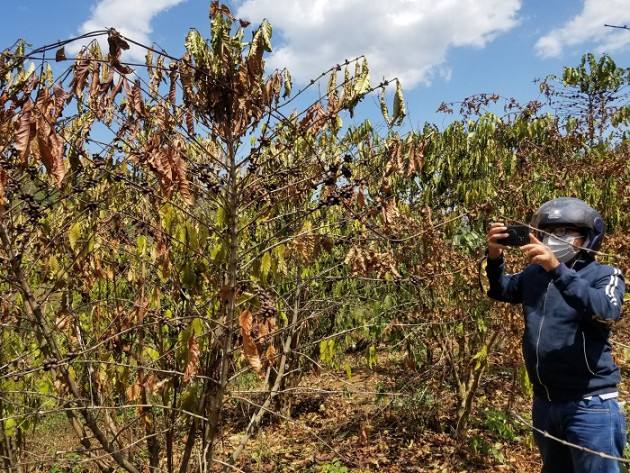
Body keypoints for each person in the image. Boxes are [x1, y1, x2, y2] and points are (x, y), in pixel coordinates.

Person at [485, 197, 627, 473]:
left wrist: (558, 270)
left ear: (587, 238)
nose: (554, 239)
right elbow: (501, 289)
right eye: (548, 232)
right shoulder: (533, 275)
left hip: (590, 405)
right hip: (545, 404)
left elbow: (606, 310)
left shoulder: (605, 274)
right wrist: (494, 256)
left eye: (563, 232)